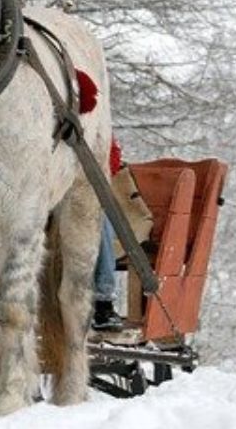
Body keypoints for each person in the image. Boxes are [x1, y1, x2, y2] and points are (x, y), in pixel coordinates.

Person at [92, 137, 126, 332]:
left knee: (99, 218)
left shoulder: (98, 122)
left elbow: (112, 159)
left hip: (85, 190)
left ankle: (102, 302)